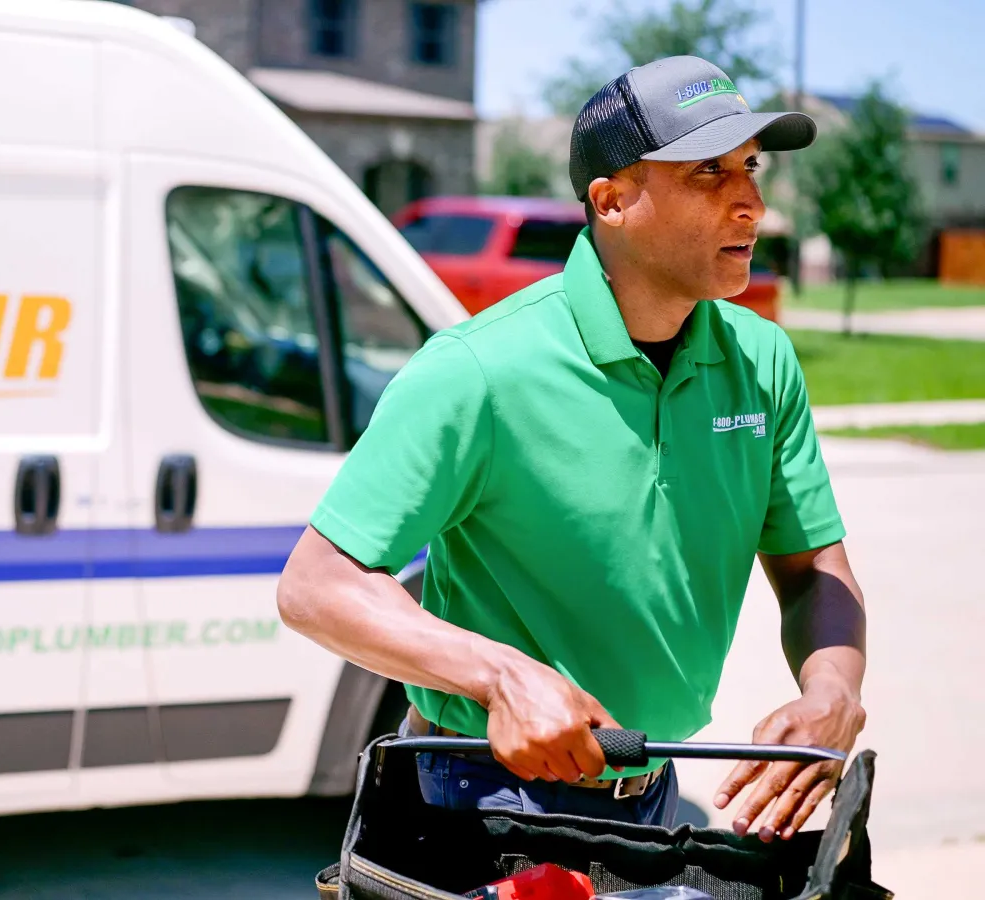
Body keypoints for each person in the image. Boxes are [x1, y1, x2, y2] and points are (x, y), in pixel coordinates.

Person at [276, 55, 867, 841]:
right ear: (612, 201)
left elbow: (812, 568)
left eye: (750, 167)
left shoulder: (762, 362)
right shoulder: (480, 369)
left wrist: (832, 688)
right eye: (708, 173)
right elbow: (316, 585)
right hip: (477, 797)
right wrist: (501, 677)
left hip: (651, 791)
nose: (752, 203)